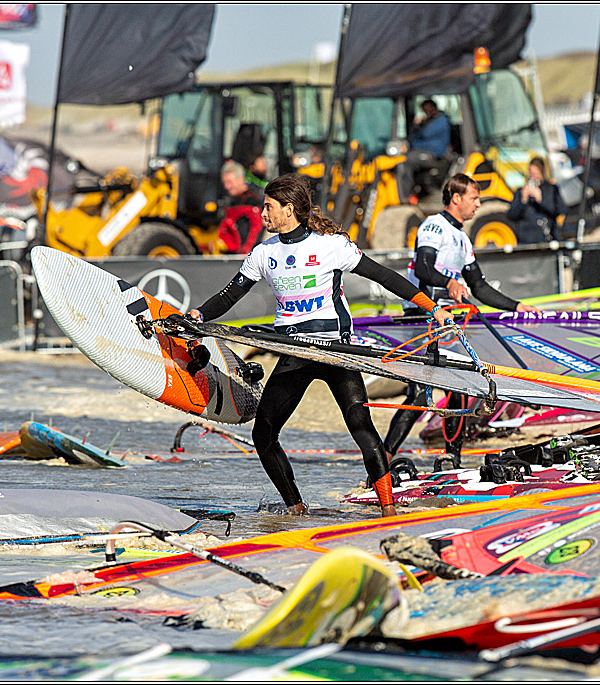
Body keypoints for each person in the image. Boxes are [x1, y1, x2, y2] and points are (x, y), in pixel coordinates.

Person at [188, 173, 455, 517]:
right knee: (264, 434)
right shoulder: (263, 253)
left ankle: (388, 510)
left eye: (268, 207)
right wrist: (198, 314)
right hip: (294, 353)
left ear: (289, 209)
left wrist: (432, 307)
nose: (262, 213)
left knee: (361, 428)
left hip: (336, 352)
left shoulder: (331, 246)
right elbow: (229, 295)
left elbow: (384, 277)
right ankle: (296, 507)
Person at [384, 173, 541, 460]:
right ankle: (383, 459)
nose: (479, 204)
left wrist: (517, 307)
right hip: (422, 316)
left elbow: (479, 286)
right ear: (456, 198)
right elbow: (423, 269)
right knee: (420, 395)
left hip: (449, 322)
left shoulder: (463, 240)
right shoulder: (434, 225)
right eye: (474, 198)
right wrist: (450, 283)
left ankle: (451, 458)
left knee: (458, 389)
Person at [398, 99, 453, 200]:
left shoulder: (441, 120)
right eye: (425, 110)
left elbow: (425, 133)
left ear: (434, 108)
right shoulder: (429, 121)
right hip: (424, 150)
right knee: (401, 158)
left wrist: (420, 124)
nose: (426, 112)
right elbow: (414, 136)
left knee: (407, 161)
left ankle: (405, 196)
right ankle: (417, 192)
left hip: (436, 153)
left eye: (428, 109)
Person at [506, 157, 565, 244]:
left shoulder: (551, 189)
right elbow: (511, 216)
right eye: (531, 174)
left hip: (547, 239)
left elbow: (561, 210)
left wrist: (541, 200)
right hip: (526, 241)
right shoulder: (520, 191)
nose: (533, 178)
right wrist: (523, 200)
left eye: (536, 175)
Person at [218, 160, 264, 253]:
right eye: (225, 183)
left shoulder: (255, 198)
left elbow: (257, 228)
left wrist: (247, 251)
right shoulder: (230, 201)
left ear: (241, 179)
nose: (227, 186)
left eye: (230, 182)